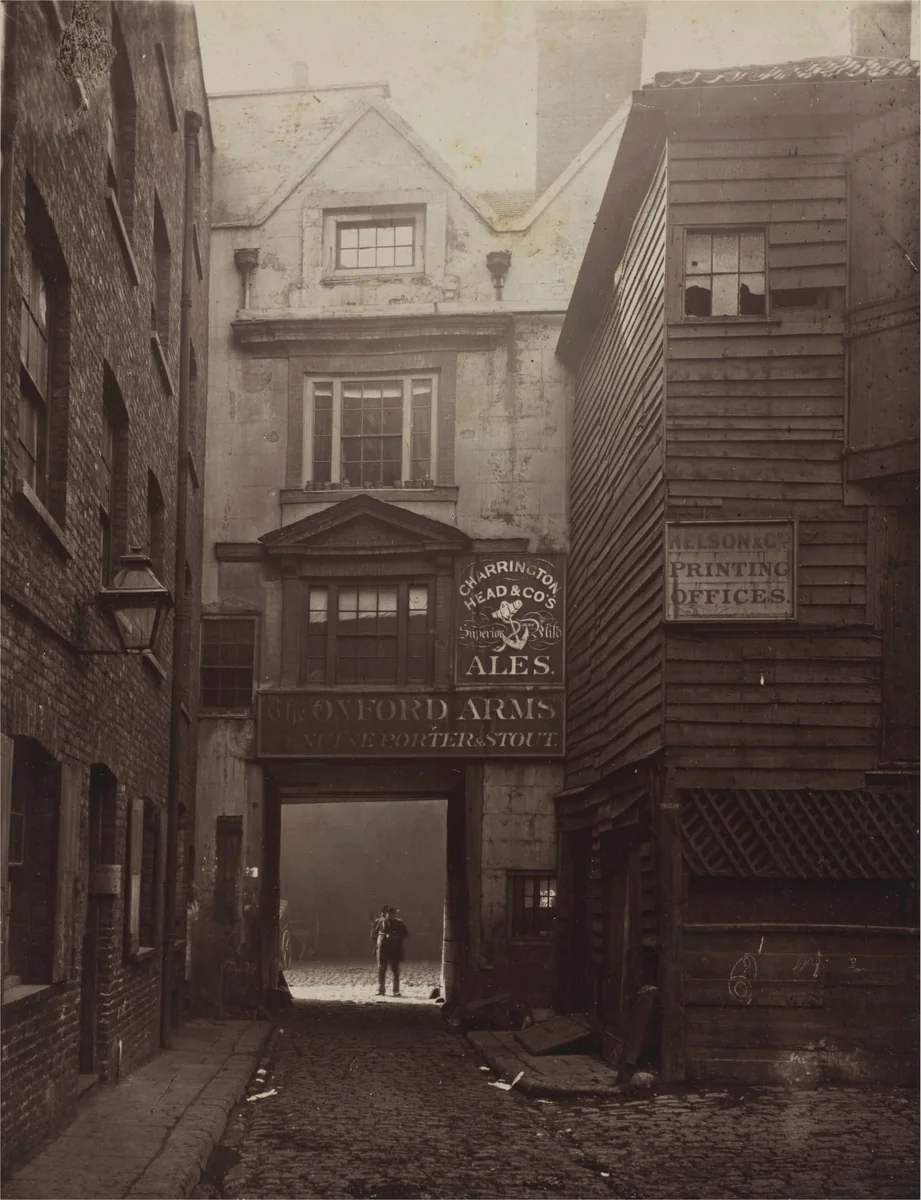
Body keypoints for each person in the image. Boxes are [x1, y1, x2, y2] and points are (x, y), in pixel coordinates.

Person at [372, 905, 408, 996]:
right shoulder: (380, 922)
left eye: (394, 913)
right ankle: (381, 989)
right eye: (390, 913)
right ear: (386, 913)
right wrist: (380, 940)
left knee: (395, 970)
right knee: (382, 969)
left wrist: (396, 937)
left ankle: (396, 990)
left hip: (394, 949)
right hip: (383, 949)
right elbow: (374, 934)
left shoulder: (399, 923)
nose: (392, 915)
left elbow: (405, 933)